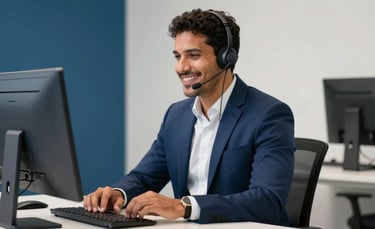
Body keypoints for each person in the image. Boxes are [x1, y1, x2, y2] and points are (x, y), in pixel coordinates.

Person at [83, 8, 295, 226]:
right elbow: (145, 177)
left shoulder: (269, 114)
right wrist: (119, 194)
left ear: (226, 57)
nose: (181, 67)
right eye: (177, 56)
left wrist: (184, 207)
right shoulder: (177, 115)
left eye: (193, 55)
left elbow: (268, 200)